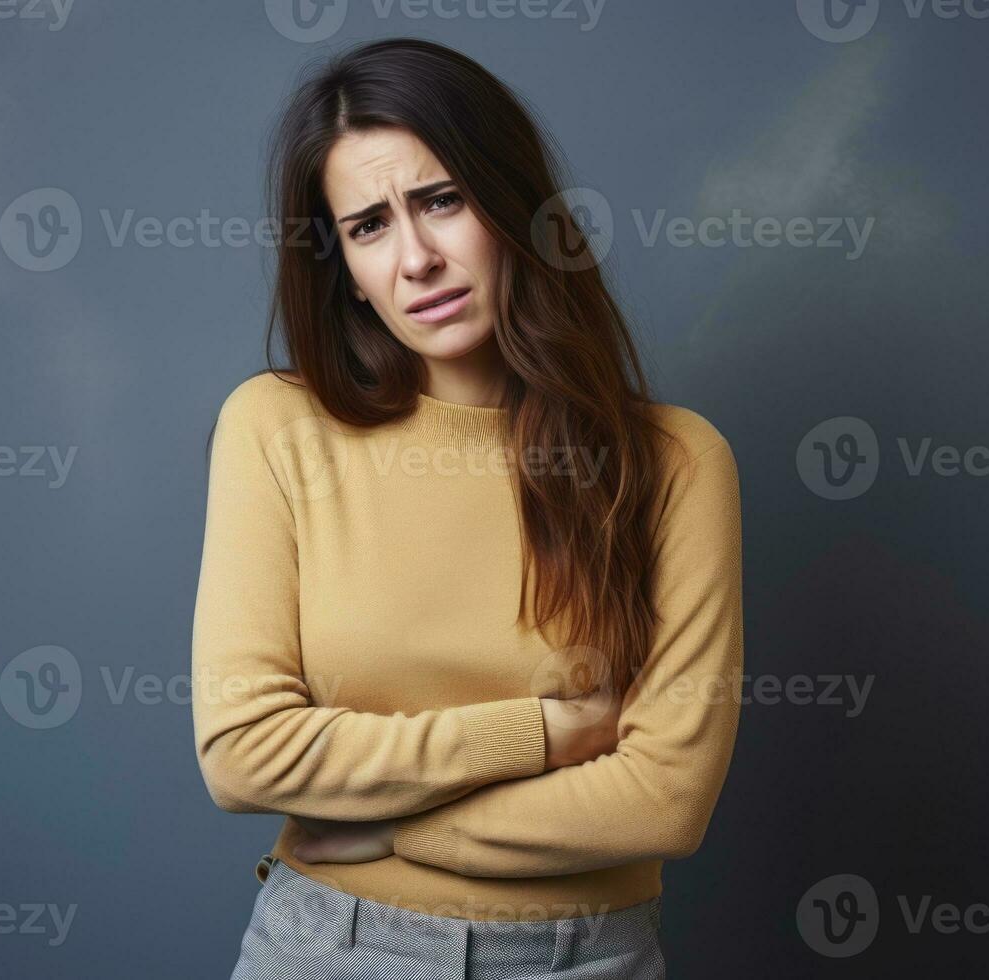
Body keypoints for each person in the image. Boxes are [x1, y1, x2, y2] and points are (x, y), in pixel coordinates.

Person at [191, 36, 744, 980]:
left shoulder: (674, 462)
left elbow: (661, 800)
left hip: (589, 960)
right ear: (344, 269)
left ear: (511, 204)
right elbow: (244, 751)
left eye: (442, 201)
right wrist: (543, 733)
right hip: (331, 951)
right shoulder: (276, 426)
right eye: (368, 226)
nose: (416, 258)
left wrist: (375, 828)